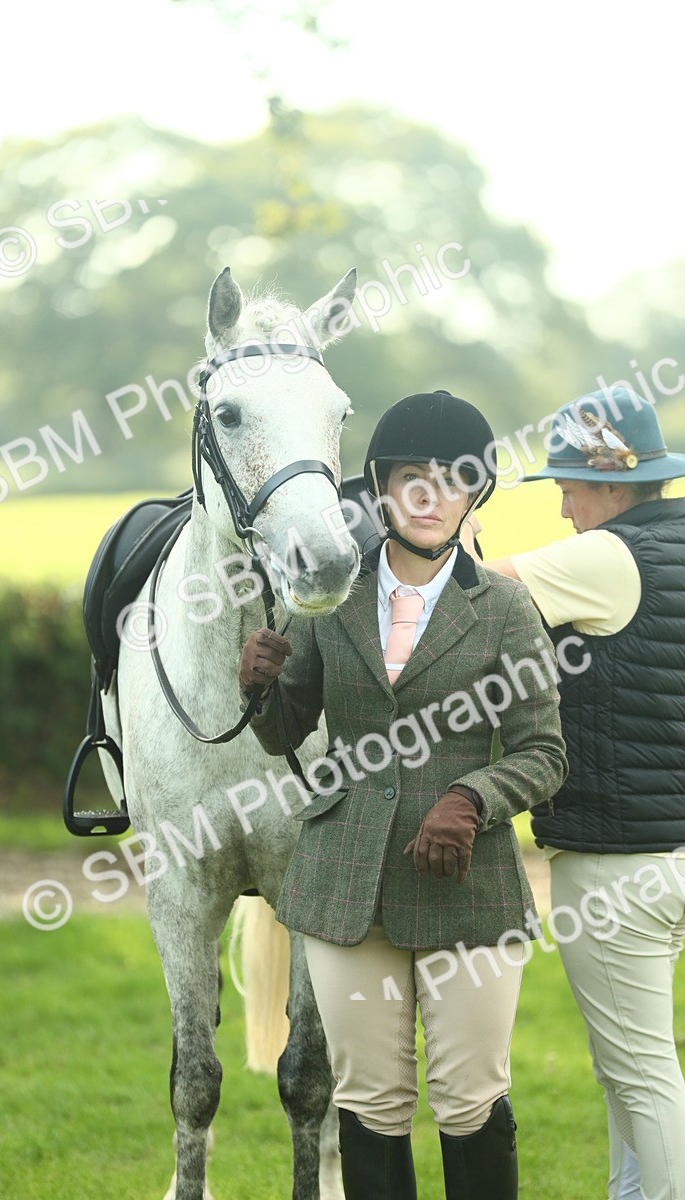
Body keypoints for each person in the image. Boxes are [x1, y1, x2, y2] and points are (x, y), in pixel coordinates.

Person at [239, 390, 567, 1200]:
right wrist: (259, 690)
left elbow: (544, 752)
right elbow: (287, 732)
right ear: (381, 487)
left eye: (451, 480)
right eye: (411, 477)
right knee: (369, 1100)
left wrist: (473, 797)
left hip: (467, 886)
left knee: (469, 1097)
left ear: (473, 496)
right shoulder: (329, 598)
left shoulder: (507, 608)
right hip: (345, 879)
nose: (429, 495)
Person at [465, 387, 685, 1200]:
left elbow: (470, 596)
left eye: (567, 487)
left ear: (608, 485)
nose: (562, 508)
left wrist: (455, 530)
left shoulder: (604, 558)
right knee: (635, 1071)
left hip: (618, 861)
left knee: (640, 1074)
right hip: (670, 849)